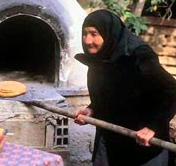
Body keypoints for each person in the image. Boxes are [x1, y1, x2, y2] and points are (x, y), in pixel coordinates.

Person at [74, 9, 176, 166]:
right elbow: (113, 91)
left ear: (108, 33)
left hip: (144, 145)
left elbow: (170, 90)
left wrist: (153, 126)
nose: (87, 40)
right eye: (85, 33)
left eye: (94, 34)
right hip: (111, 140)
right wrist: (93, 108)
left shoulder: (138, 56)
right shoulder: (101, 57)